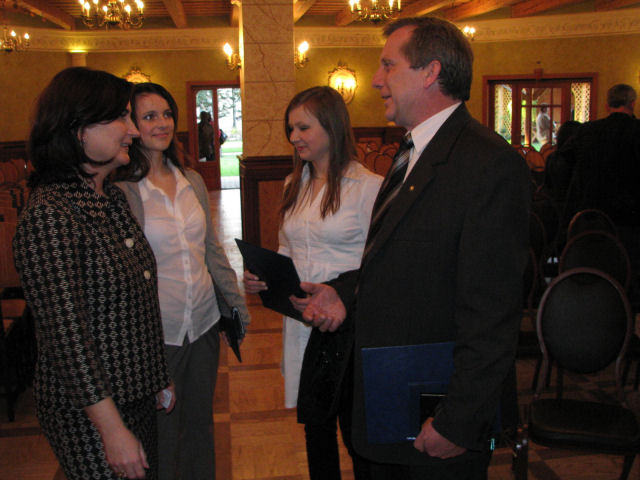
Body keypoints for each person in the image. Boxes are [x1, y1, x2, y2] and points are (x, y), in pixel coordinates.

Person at [293, 18, 530, 479]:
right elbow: (397, 258)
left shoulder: (488, 164)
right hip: (389, 400)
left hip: (435, 413)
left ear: (430, 72)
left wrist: (458, 420)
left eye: (388, 65)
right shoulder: (410, 152)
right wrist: (344, 292)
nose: (376, 80)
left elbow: (493, 312)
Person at [12, 67, 174, 480]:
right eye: (120, 118)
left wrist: (156, 374)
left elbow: (138, 299)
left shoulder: (109, 199)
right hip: (91, 412)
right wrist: (111, 430)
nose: (133, 131)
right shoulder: (51, 214)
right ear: (78, 130)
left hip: (134, 394)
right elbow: (68, 339)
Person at [243, 86, 382, 480]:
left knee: (356, 432)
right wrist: (264, 276)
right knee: (316, 428)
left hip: (346, 324)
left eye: (303, 127)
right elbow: (287, 247)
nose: (294, 137)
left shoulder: (368, 186)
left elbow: (379, 263)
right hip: (303, 321)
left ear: (332, 127)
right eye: (291, 129)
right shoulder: (294, 182)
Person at [113, 82, 250, 480]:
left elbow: (211, 250)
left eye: (167, 114)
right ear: (131, 125)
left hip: (204, 326)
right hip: (158, 334)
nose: (162, 123)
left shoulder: (191, 180)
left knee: (200, 427)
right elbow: (123, 276)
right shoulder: (123, 191)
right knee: (164, 435)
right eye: (149, 116)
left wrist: (235, 305)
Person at [562, 83, 640, 308]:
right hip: (629, 220)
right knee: (628, 279)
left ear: (607, 105)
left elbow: (564, 160)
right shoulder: (637, 131)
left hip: (590, 218)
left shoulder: (588, 131)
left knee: (593, 275)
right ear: (632, 103)